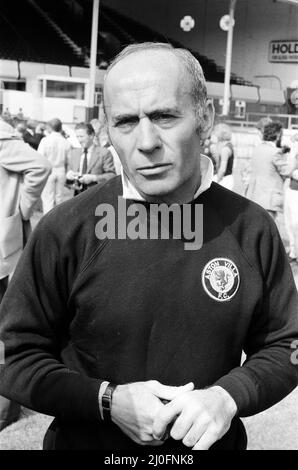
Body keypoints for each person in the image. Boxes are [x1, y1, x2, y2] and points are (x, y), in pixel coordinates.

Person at [0, 43, 297, 451]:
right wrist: (106, 400)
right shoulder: (65, 230)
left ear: (205, 117)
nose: (146, 141)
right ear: (107, 131)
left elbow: (287, 345)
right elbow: (15, 358)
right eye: (125, 121)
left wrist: (228, 396)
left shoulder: (252, 228)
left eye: (164, 116)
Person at [0, 118, 51, 431]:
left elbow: (39, 166)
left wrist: (19, 209)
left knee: (5, 333)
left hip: (3, 250)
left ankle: (5, 409)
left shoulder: (3, 138)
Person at [246, 121, 285, 222]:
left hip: (255, 195)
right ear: (278, 135)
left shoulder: (257, 149)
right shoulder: (276, 152)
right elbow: (286, 171)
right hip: (269, 198)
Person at [66, 122, 115, 196]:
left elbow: (112, 176)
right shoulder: (74, 153)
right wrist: (68, 176)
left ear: (91, 135)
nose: (79, 140)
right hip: (76, 198)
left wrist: (94, 178)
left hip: (95, 196)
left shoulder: (104, 153)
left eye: (81, 137)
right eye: (77, 137)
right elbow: (67, 180)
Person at [37, 118, 71, 214]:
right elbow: (68, 161)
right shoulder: (66, 142)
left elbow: (40, 157)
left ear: (50, 128)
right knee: (59, 198)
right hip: (61, 170)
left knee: (48, 198)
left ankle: (48, 221)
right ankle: (58, 219)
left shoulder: (45, 140)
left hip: (49, 170)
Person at [211, 123, 234, 190]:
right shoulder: (223, 146)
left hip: (224, 180)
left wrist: (216, 183)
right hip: (222, 178)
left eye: (215, 131)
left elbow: (222, 169)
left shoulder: (225, 149)